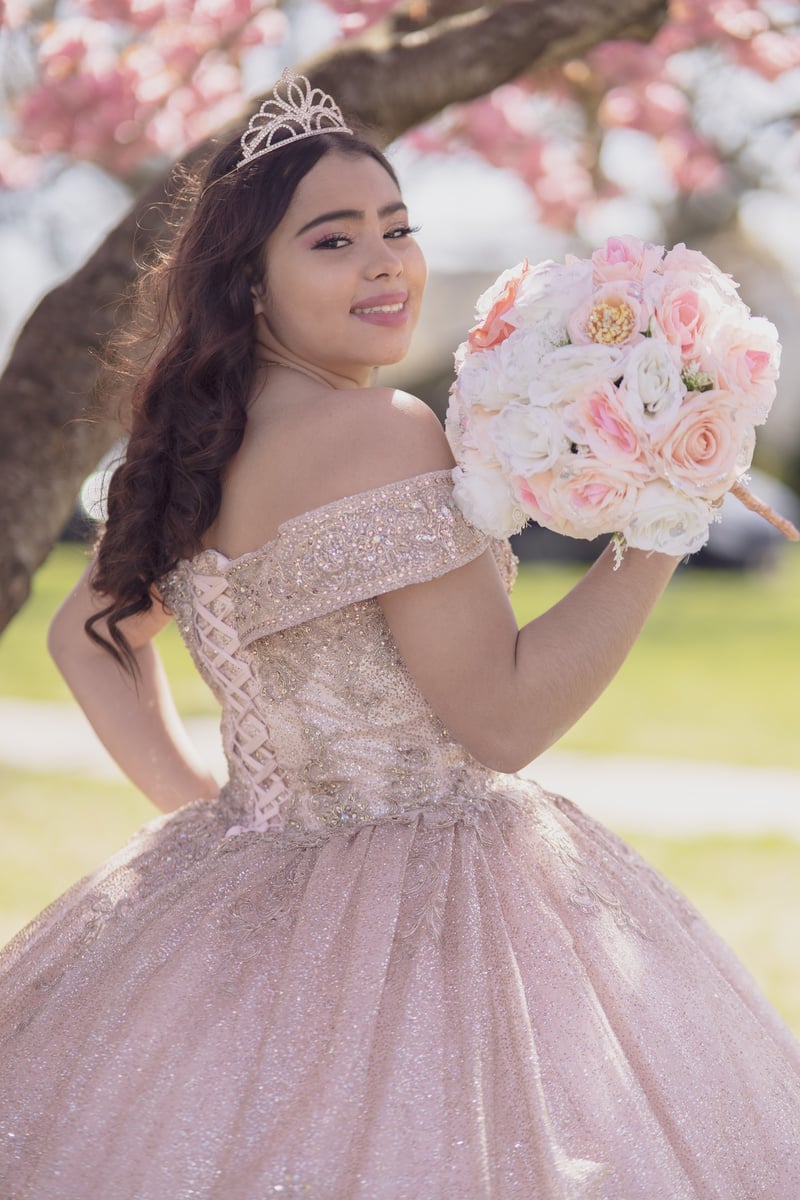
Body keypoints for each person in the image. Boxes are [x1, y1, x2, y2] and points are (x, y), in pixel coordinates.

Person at [1, 71, 798, 1200]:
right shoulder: (381, 429)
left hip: (234, 884)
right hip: (440, 901)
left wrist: (214, 812)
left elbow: (87, 638)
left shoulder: (189, 447)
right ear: (250, 284)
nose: (386, 263)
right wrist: (666, 515)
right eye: (332, 241)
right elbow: (503, 720)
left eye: (398, 227)